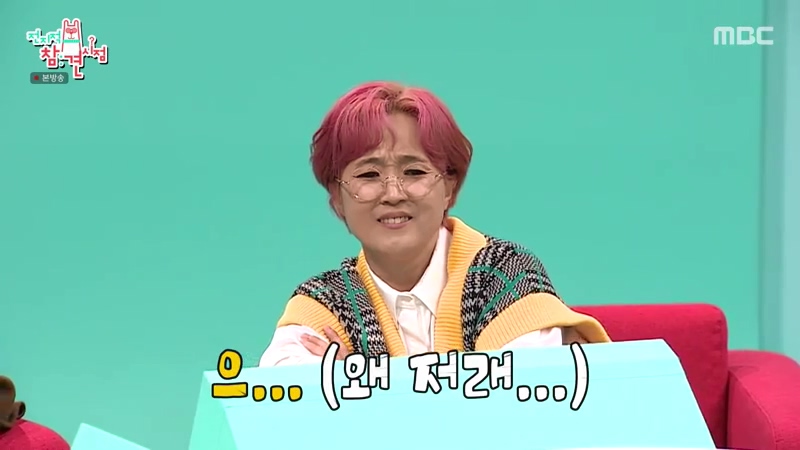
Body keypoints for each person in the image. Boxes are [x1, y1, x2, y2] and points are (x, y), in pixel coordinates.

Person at [259, 81, 610, 367]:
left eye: (414, 171)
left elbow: (520, 401)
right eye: (368, 175)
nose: (393, 194)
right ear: (337, 197)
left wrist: (361, 382)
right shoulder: (324, 300)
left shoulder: (506, 275)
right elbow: (285, 405)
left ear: (449, 187)